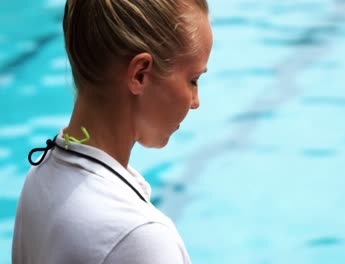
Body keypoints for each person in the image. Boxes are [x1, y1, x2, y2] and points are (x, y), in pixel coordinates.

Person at [12, 0, 213, 263]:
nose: (195, 101)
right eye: (193, 80)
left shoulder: (40, 175)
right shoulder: (140, 238)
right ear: (140, 74)